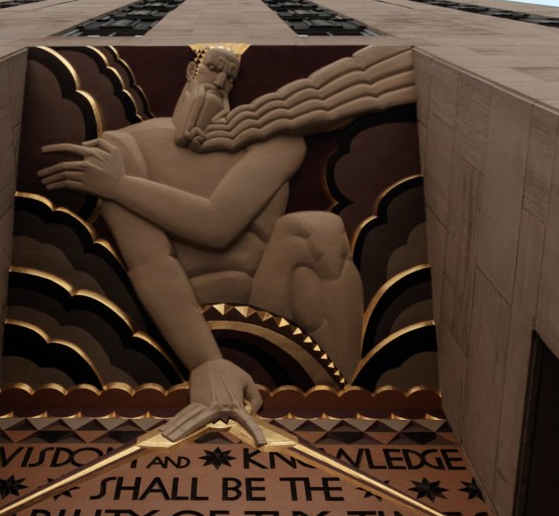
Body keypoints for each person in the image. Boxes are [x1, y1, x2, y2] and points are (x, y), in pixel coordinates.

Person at [39, 44, 415, 444]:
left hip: (273, 299)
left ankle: (337, 403)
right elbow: (151, 263)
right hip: (185, 316)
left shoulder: (275, 141)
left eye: (230, 76)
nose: (220, 81)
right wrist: (206, 363)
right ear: (191, 69)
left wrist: (119, 186)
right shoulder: (124, 147)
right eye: (214, 69)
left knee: (316, 229)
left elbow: (218, 224)